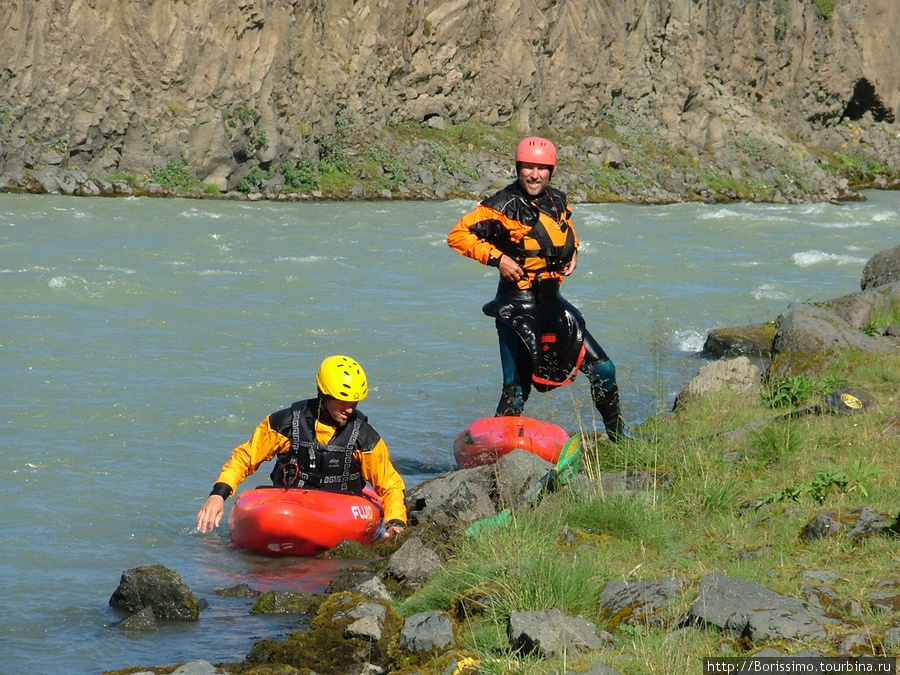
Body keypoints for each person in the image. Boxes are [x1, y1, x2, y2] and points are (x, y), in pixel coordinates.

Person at [447, 136, 628, 441]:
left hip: (552, 303)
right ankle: (494, 454)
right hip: (515, 306)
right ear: (519, 168)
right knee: (517, 390)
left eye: (542, 169)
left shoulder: (557, 201)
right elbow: (458, 235)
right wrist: (498, 258)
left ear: (551, 172)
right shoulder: (500, 205)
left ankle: (619, 437)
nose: (535, 174)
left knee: (604, 369)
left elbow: (565, 230)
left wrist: (574, 251)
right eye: (529, 167)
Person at [196, 355, 407, 536]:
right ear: (324, 396)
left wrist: (395, 521)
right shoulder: (286, 423)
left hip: (342, 507)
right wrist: (218, 494)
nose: (350, 409)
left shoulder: (365, 437)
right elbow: (244, 458)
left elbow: (390, 484)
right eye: (343, 402)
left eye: (355, 403)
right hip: (290, 503)